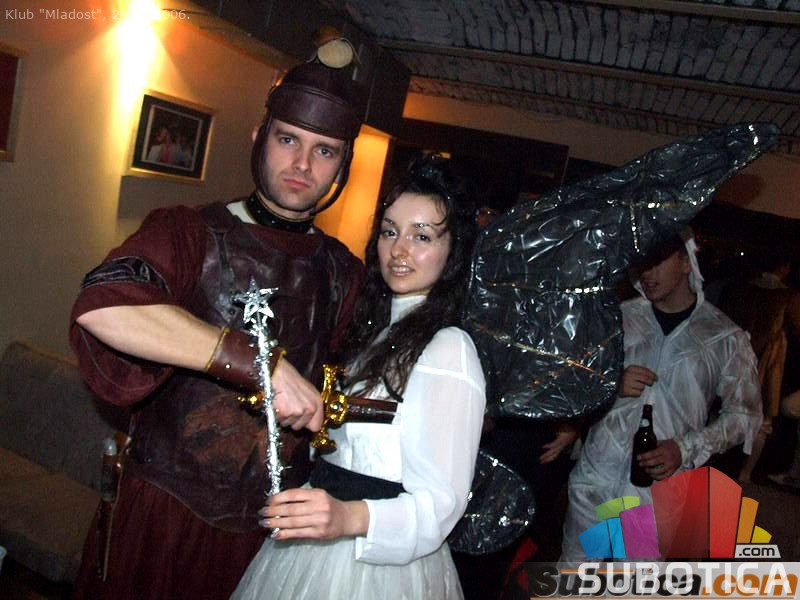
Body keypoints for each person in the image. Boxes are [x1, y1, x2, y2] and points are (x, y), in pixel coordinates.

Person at [70, 58, 365, 600]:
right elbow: (103, 306)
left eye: (325, 151)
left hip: (273, 533)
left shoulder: (344, 273)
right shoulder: (188, 231)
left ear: (344, 165)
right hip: (165, 515)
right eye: (287, 140)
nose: (302, 164)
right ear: (259, 138)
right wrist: (262, 365)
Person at [232, 155, 486, 600]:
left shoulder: (449, 348)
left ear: (453, 252)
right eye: (390, 231)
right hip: (315, 536)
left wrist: (347, 518)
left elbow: (440, 506)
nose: (399, 250)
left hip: (375, 563)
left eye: (421, 236)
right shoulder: (376, 333)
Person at [560, 229, 762, 563]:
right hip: (595, 482)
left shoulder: (724, 337)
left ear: (686, 263)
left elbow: (745, 416)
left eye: (657, 261)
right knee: (575, 577)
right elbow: (573, 383)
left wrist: (684, 448)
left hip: (654, 496)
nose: (647, 273)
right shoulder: (619, 318)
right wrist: (610, 383)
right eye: (642, 262)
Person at [717, 252, 800, 482]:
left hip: (734, 355)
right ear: (784, 266)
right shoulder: (787, 296)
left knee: (727, 410)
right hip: (766, 362)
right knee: (762, 421)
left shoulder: (742, 288)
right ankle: (745, 472)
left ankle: (719, 463)